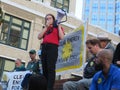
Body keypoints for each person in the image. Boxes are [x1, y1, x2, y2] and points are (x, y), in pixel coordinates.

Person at [38, 13, 64, 90]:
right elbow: (39, 37)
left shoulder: (57, 27)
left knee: (50, 68)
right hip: (44, 47)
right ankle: (45, 86)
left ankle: (49, 88)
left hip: (52, 48)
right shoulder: (45, 28)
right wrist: (46, 27)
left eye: (49, 18)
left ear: (53, 19)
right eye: (46, 19)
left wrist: (59, 26)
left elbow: (62, 37)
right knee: (44, 68)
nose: (48, 20)